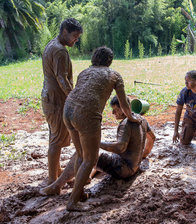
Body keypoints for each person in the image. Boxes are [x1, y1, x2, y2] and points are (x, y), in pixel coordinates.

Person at [63, 46, 139, 211]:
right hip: (86, 115)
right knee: (90, 159)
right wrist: (131, 116)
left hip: (67, 110)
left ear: (93, 59)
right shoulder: (113, 75)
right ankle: (73, 202)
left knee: (81, 156)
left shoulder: (84, 72)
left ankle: (80, 193)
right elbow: (124, 104)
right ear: (109, 61)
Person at [40, 96, 155, 201]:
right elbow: (152, 137)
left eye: (115, 109)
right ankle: (88, 176)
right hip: (134, 166)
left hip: (123, 170)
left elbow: (120, 147)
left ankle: (57, 186)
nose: (113, 112)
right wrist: (143, 154)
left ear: (123, 108)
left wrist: (95, 142)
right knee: (97, 153)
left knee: (85, 151)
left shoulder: (125, 124)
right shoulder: (141, 119)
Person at [41, 18, 83, 184]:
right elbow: (62, 79)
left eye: (77, 37)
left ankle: (57, 172)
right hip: (57, 101)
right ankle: (53, 180)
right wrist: (73, 98)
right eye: (74, 36)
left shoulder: (52, 45)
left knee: (54, 138)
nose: (76, 40)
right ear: (64, 31)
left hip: (49, 98)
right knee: (57, 141)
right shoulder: (60, 51)